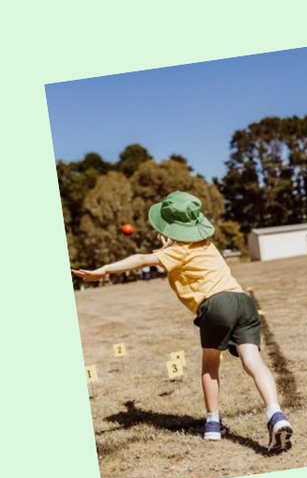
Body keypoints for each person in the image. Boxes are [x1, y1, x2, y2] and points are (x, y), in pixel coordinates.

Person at [72, 190, 293, 454]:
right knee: (253, 362)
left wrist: (104, 270)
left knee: (210, 364)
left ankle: (213, 424)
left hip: (216, 305)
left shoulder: (177, 251)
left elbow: (142, 259)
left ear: (170, 229)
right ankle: (275, 414)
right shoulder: (206, 245)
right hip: (242, 301)